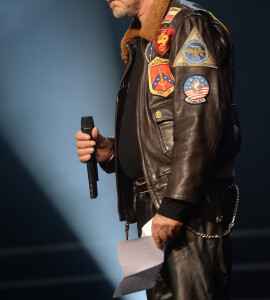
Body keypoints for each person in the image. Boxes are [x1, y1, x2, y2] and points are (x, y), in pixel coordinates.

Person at [75, 0, 241, 299]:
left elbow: (200, 122)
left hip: (186, 209)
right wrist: (111, 152)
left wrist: (175, 205)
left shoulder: (188, 24)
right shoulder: (141, 40)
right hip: (149, 205)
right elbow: (157, 130)